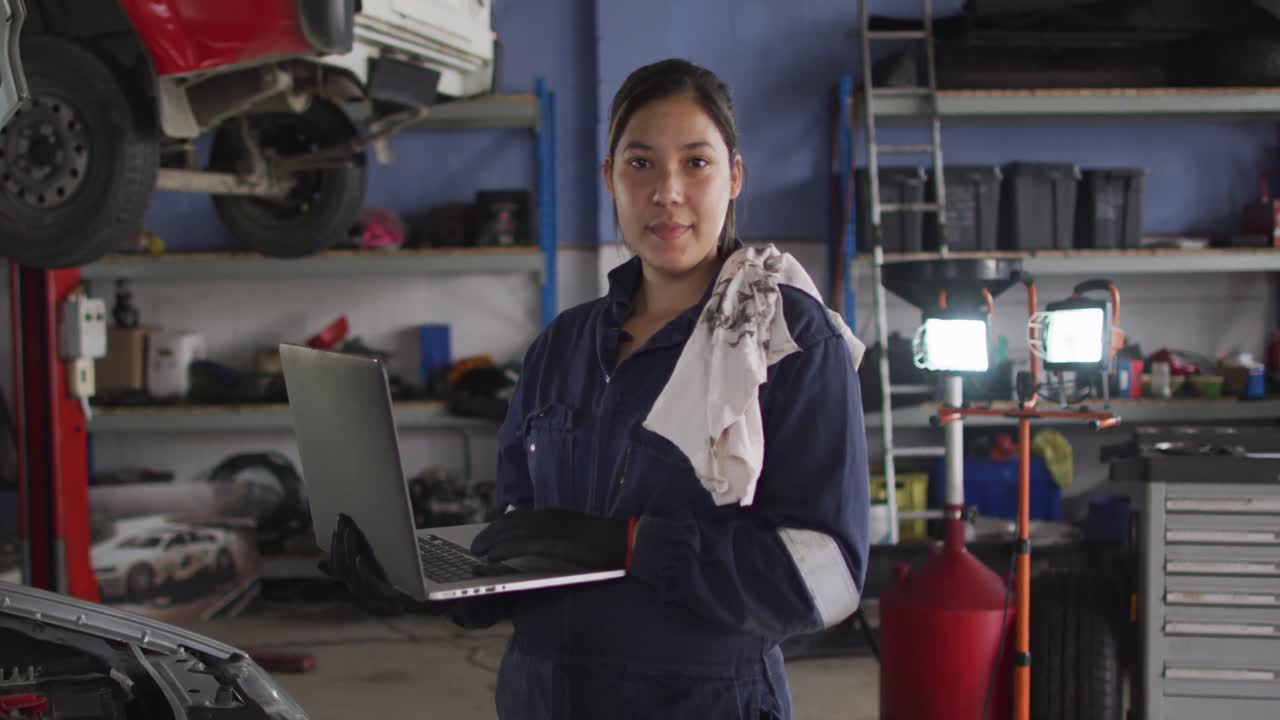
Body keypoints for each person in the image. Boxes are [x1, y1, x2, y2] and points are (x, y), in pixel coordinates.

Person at [325, 58, 870, 719]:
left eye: (696, 163)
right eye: (640, 163)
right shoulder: (561, 347)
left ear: (736, 178)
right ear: (608, 178)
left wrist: (637, 545)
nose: (667, 192)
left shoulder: (785, 340)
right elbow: (523, 538)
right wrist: (427, 582)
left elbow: (829, 576)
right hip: (545, 696)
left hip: (699, 701)